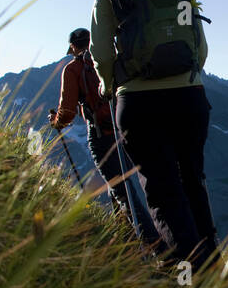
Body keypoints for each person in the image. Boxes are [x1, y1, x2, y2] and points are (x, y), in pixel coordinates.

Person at [91, 0, 218, 270]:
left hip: (139, 101)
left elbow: (100, 51)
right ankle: (214, 268)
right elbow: (200, 45)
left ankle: (192, 279)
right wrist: (187, 77)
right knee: (193, 179)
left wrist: (108, 85)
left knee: (163, 191)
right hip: (190, 96)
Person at [48, 27, 159, 244]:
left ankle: (158, 251)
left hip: (102, 135)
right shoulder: (112, 60)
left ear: (73, 47)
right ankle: (125, 244)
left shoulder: (73, 69)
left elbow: (67, 113)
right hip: (127, 130)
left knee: (123, 193)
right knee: (120, 187)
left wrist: (56, 122)